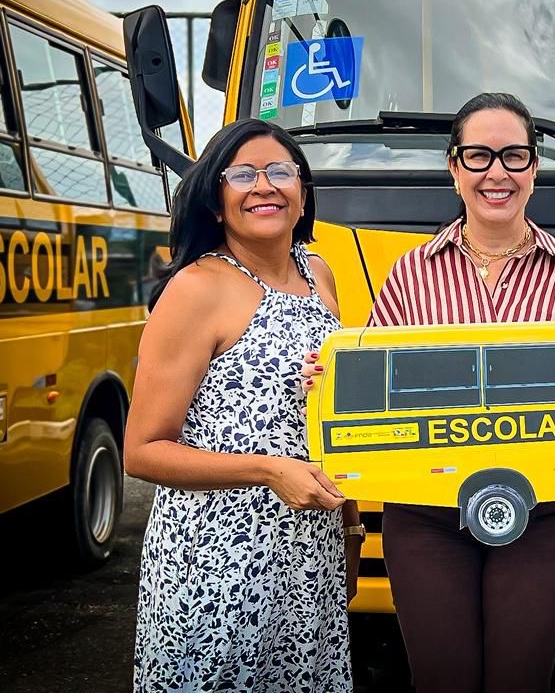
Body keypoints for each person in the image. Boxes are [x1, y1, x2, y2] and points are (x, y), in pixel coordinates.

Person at [303, 92, 555, 693]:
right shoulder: (410, 272)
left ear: (534, 168)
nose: (497, 173)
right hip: (427, 516)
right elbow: (378, 385)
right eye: (479, 156)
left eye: (514, 156)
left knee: (520, 681)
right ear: (454, 167)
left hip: (544, 516)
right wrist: (330, 382)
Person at [126, 117, 358, 693]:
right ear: (215, 199)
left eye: (280, 171)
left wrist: (351, 527)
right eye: (243, 175)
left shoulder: (319, 275)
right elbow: (143, 451)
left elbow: (332, 416)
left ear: (302, 191)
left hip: (310, 558)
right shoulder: (196, 289)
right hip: (216, 565)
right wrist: (268, 470)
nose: (265, 186)